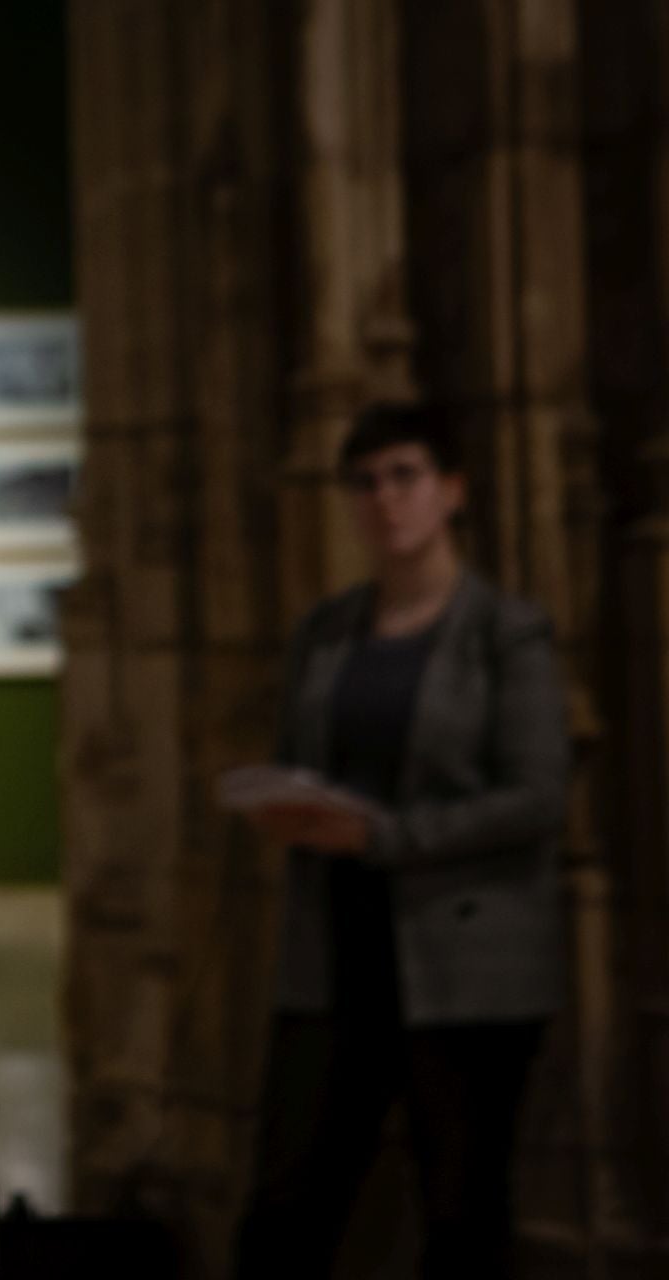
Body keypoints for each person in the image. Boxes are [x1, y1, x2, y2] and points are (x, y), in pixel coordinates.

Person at [232, 403, 570, 1278]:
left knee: (462, 1216)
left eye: (404, 476)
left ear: (452, 490)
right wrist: (287, 804)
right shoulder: (327, 631)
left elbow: (539, 797)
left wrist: (386, 836)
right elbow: (299, 756)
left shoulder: (505, 633)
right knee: (283, 1209)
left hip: (464, 967)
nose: (385, 499)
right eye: (365, 482)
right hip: (335, 955)